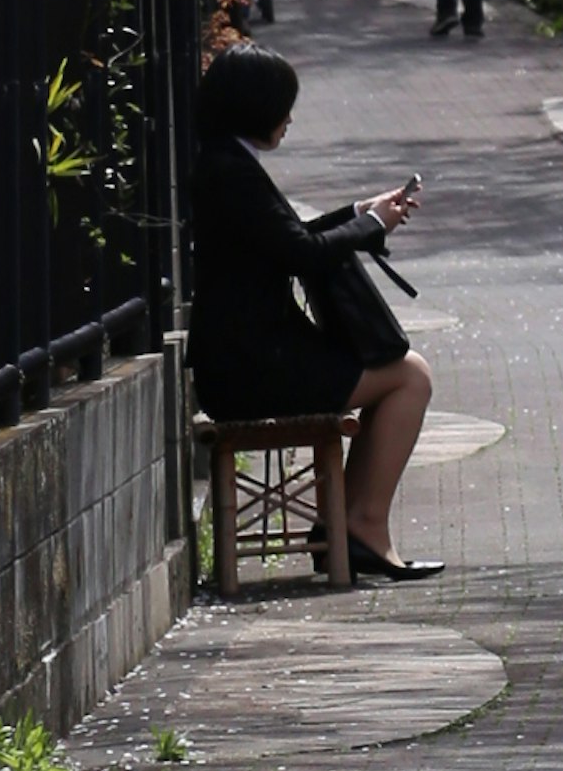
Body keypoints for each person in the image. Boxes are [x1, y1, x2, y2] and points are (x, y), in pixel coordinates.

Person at [188, 48, 440, 576]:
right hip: (254, 367)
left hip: (245, 358)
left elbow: (286, 238)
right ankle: (362, 524)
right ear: (256, 107)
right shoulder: (231, 170)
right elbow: (302, 252)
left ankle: (351, 522)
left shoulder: (222, 160)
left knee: (403, 373)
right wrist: (372, 227)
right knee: (410, 377)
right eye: (283, 106)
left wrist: (361, 213)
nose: (289, 118)